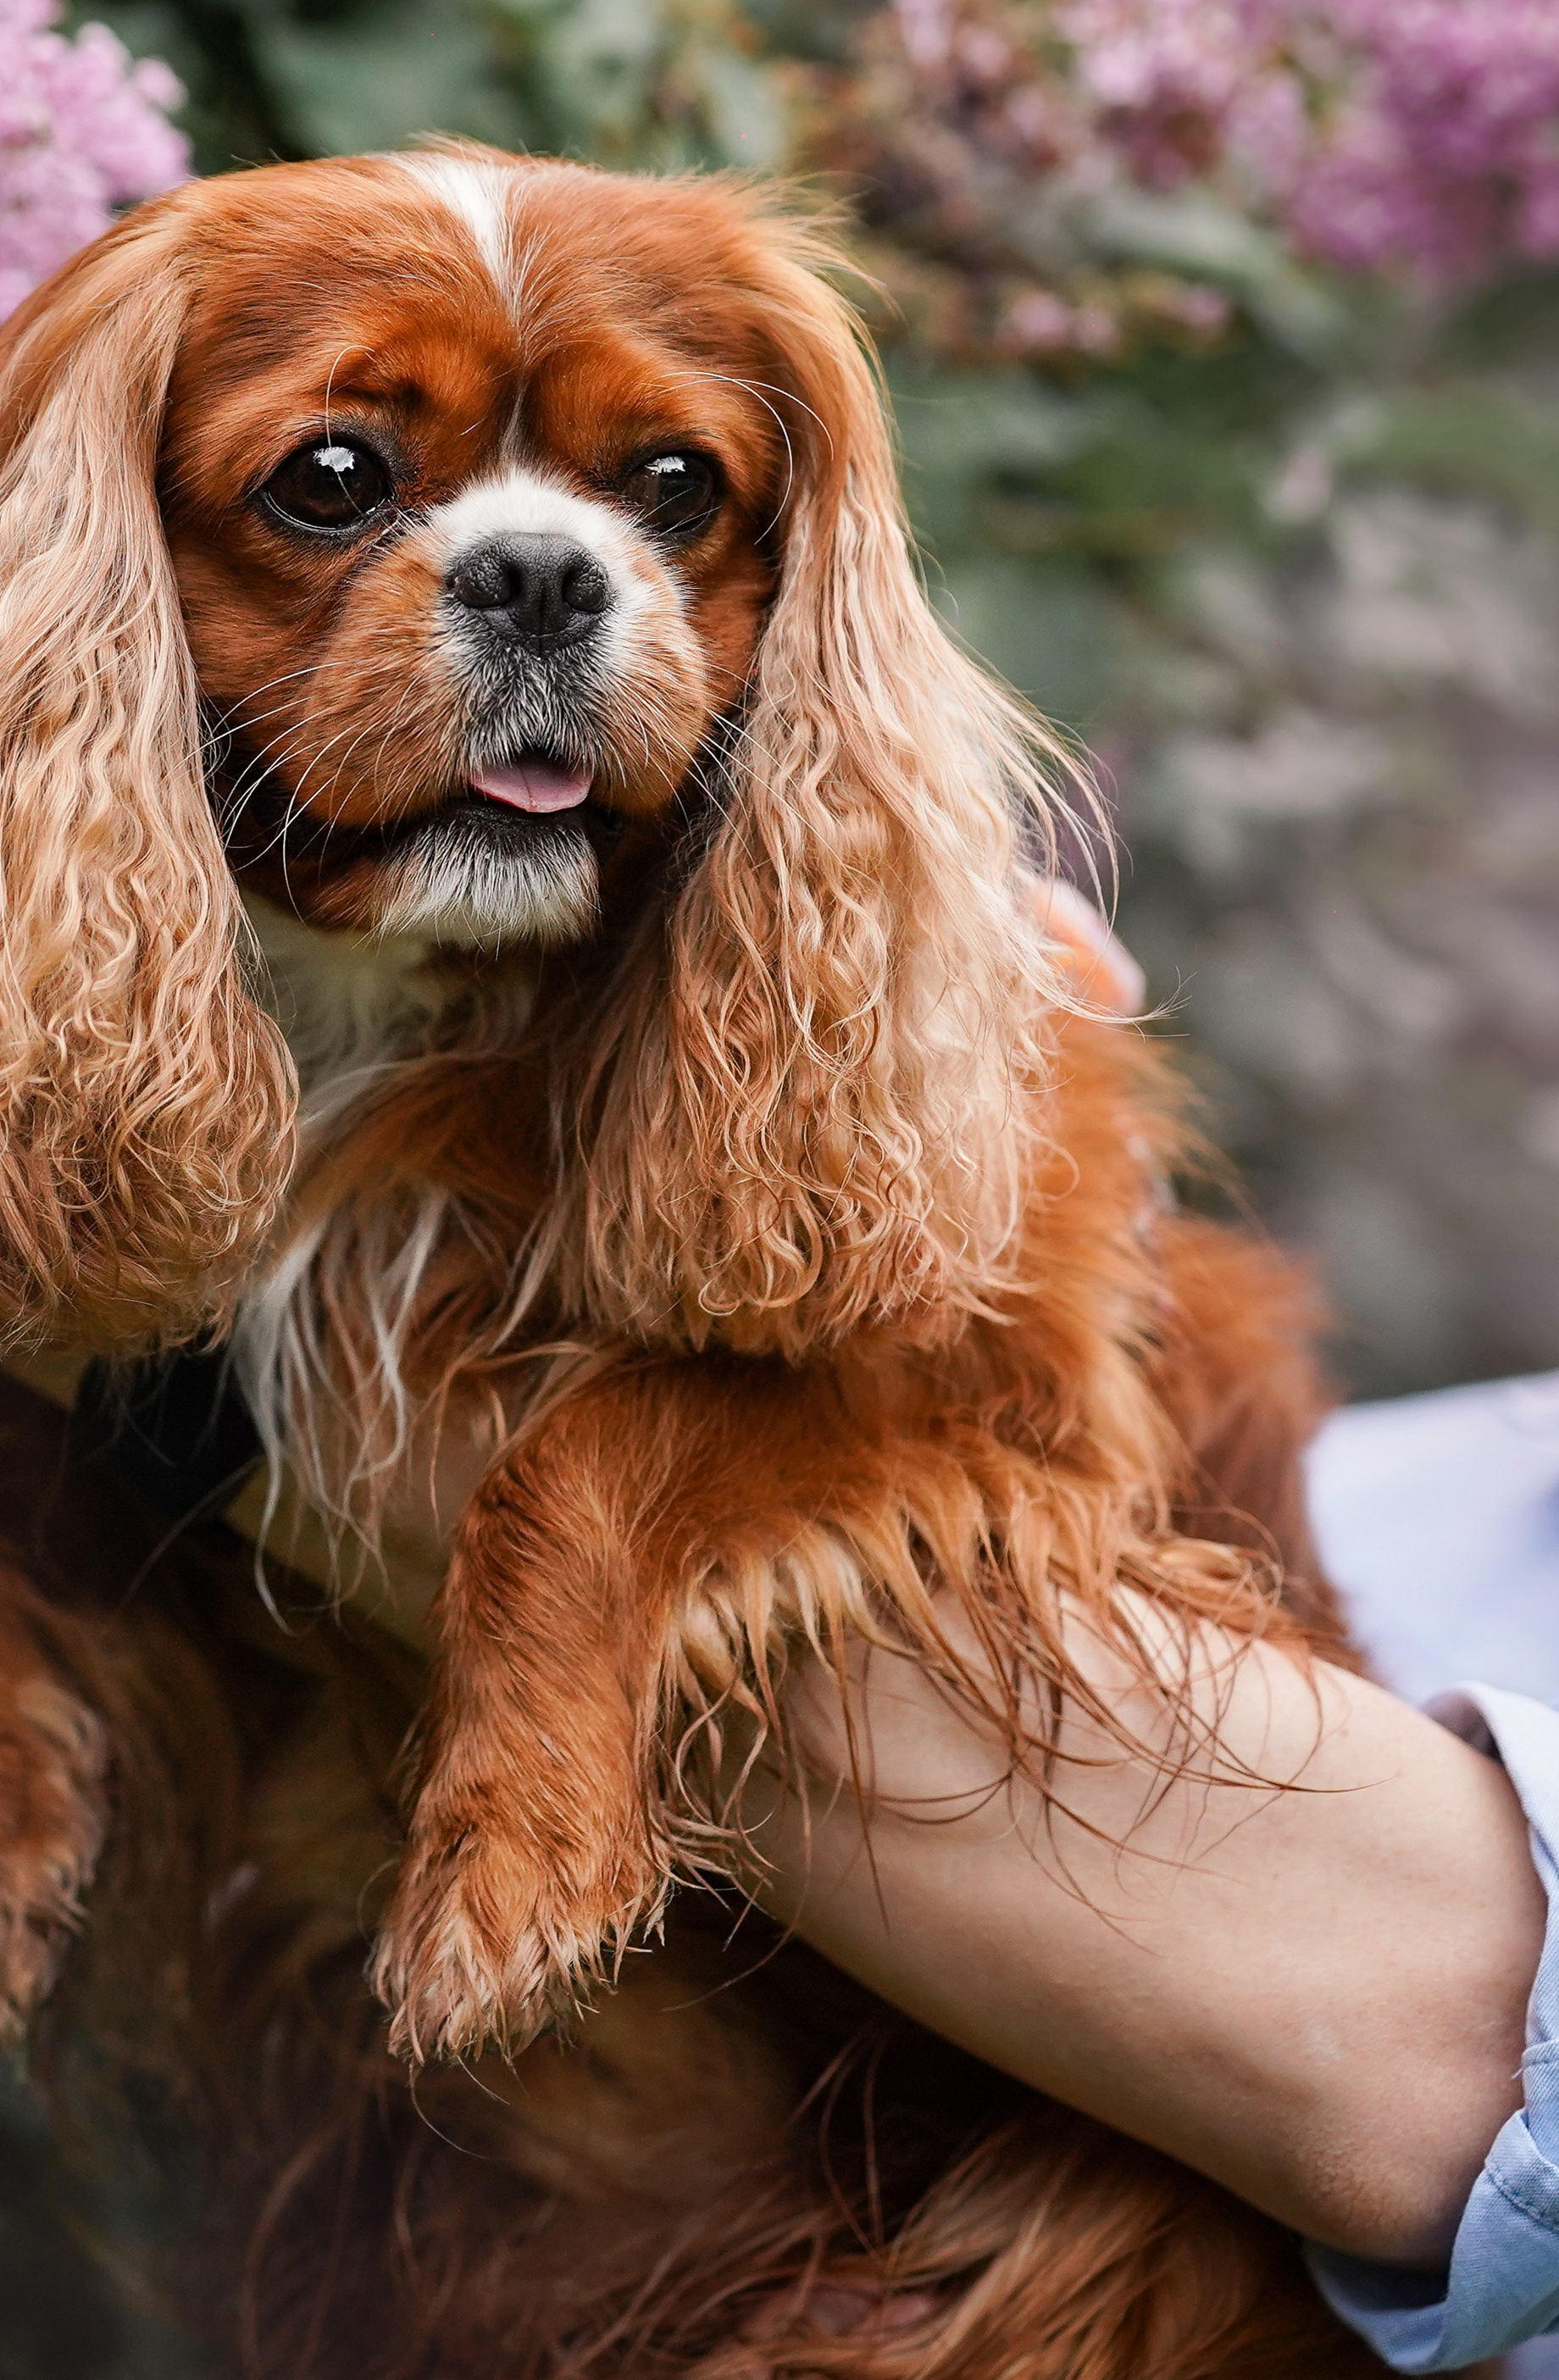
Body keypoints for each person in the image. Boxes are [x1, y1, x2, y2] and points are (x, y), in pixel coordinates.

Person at [230, 890, 1559, 2375]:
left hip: (1065, 2284)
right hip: (576, 2198)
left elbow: (1464, 2066)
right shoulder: (1418, 1473)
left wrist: (263, 1416)